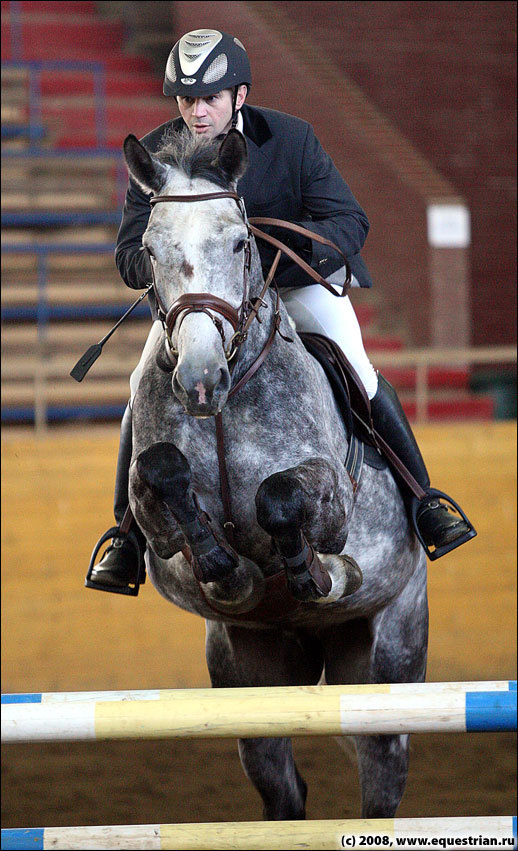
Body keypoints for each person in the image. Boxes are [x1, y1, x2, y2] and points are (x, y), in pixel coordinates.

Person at [88, 29, 475, 592]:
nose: (198, 113)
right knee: (137, 387)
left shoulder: (291, 139)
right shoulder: (156, 156)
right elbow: (127, 254)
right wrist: (173, 264)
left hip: (294, 286)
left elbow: (350, 222)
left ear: (239, 96)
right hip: (204, 304)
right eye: (188, 100)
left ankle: (424, 501)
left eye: (211, 98)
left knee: (356, 366)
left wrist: (270, 254)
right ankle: (125, 535)